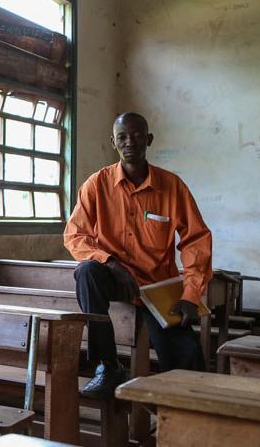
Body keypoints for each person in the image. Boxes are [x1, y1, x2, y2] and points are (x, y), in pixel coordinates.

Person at [64, 112, 212, 398]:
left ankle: (186, 414)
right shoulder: (97, 184)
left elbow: (196, 240)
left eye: (136, 135)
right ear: (113, 142)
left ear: (149, 139)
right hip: (115, 280)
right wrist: (111, 263)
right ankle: (108, 365)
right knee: (87, 271)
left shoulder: (172, 187)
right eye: (122, 137)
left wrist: (191, 295)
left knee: (188, 358)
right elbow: (74, 235)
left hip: (157, 286)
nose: (129, 142)